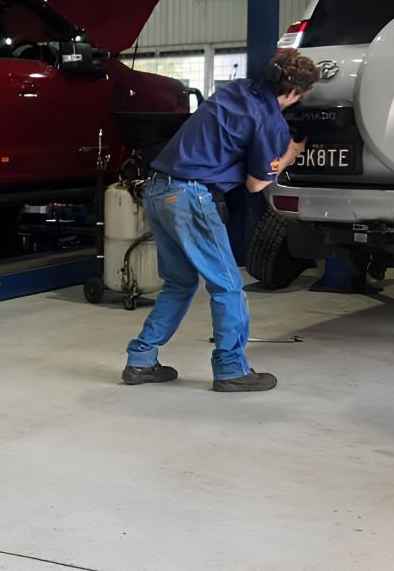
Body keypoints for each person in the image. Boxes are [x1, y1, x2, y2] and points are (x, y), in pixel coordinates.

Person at [122, 49, 319, 393]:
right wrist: (289, 154)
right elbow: (257, 184)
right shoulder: (271, 122)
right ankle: (230, 369)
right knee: (227, 285)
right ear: (295, 93)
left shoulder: (234, 89)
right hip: (190, 197)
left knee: (180, 284)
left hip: (157, 189)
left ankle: (140, 361)